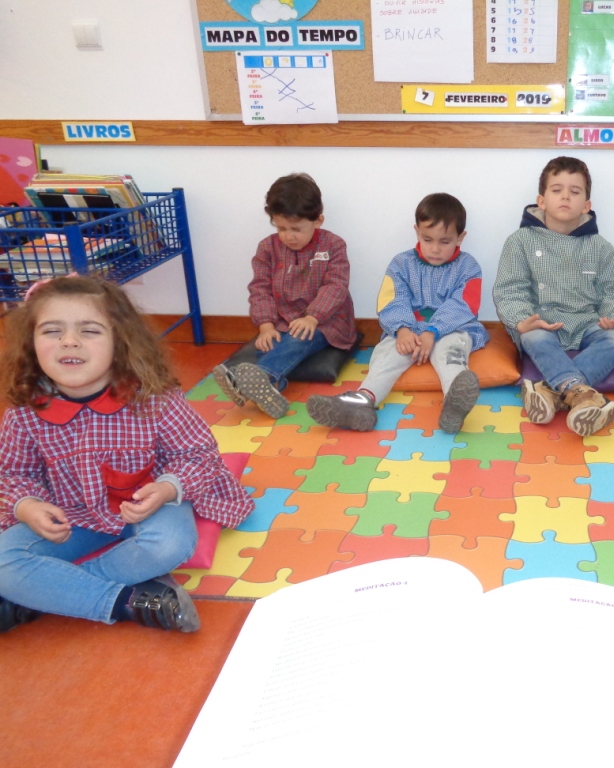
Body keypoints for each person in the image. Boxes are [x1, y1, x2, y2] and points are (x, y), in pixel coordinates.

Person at [0, 275, 254, 632]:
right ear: (31, 343)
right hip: (72, 514)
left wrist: (166, 488)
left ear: (120, 342)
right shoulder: (24, 412)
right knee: (4, 560)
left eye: (89, 331)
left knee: (171, 544)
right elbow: (13, 474)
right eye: (52, 331)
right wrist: (27, 506)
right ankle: (124, 602)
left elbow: (198, 454)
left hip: (152, 505)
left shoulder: (153, 397)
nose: (69, 341)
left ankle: (50, 594)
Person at [307, 193, 487, 435]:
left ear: (460, 237)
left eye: (445, 242)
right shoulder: (401, 264)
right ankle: (362, 400)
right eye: (427, 239)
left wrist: (433, 331)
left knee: (451, 354)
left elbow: (463, 305)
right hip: (408, 329)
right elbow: (392, 299)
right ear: (417, 231)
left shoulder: (468, 267)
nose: (435, 249)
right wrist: (402, 330)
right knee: (390, 354)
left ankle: (453, 405)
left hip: (450, 330)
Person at [493, 156, 614, 437]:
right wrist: (522, 321)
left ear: (586, 205)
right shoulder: (519, 241)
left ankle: (552, 392)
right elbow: (510, 289)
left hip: (587, 324)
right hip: (542, 324)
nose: (566, 196)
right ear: (541, 201)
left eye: (575, 191)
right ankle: (581, 395)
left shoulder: (601, 247)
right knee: (532, 337)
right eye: (557, 190)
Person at [213, 173, 356, 419]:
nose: (289, 236)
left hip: (326, 321)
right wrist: (266, 326)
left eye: (297, 229)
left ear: (318, 221)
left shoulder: (333, 245)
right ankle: (267, 387)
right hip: (283, 319)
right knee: (271, 343)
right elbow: (260, 288)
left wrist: (312, 317)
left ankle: (256, 380)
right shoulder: (267, 248)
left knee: (300, 337)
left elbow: (336, 286)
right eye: (281, 228)